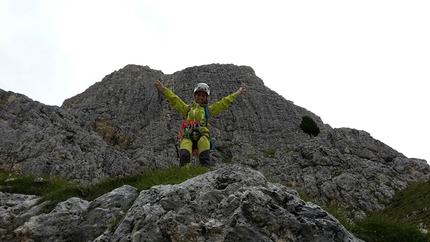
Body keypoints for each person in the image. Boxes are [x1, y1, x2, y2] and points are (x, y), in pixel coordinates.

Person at [154, 80, 246, 167]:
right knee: (184, 155)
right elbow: (174, 100)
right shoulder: (187, 109)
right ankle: (184, 173)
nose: (201, 97)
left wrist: (238, 92)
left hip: (203, 134)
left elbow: (224, 102)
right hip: (188, 134)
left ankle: (204, 171)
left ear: (206, 97)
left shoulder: (209, 110)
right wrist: (163, 88)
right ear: (195, 95)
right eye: (198, 94)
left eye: (203, 95)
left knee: (204, 156)